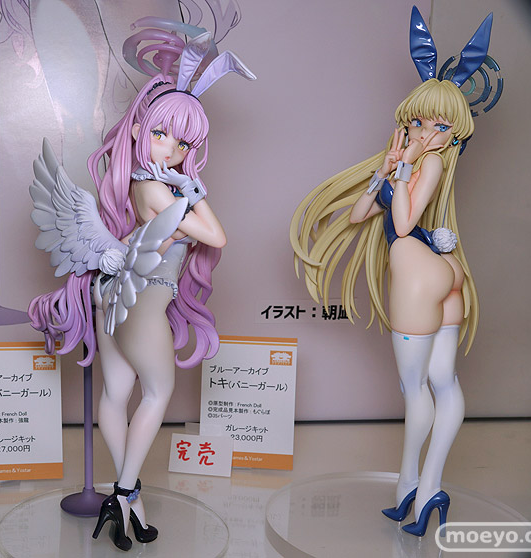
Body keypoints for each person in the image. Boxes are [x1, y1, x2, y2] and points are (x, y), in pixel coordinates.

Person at [28, 24, 254, 550]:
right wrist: (194, 190)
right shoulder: (158, 189)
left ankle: (131, 504)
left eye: (182, 142)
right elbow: (218, 236)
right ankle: (125, 490)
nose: (171, 148)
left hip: (113, 296)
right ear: (138, 130)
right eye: (160, 134)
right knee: (157, 392)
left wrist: (184, 187)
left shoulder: (139, 182)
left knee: (117, 394)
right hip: (141, 303)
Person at [290, 7, 496, 536]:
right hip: (442, 269)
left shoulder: (429, 164)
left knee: (415, 387)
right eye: (419, 122)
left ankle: (412, 483)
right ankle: (427, 488)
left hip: (417, 268)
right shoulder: (408, 164)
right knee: (442, 381)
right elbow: (361, 215)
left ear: (454, 133)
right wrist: (383, 172)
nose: (426, 132)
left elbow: (402, 226)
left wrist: (402, 171)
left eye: (439, 126)